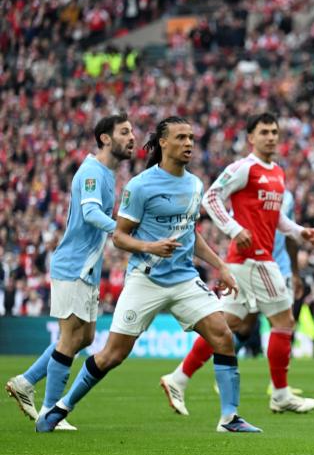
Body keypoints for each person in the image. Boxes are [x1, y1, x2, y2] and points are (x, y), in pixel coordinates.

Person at [36, 116, 261, 433]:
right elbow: (120, 236)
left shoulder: (195, 184)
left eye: (191, 138)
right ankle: (61, 407)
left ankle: (229, 418)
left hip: (184, 279)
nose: (188, 143)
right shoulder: (140, 186)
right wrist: (150, 246)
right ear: (163, 143)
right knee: (112, 355)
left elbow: (190, 233)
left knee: (222, 335)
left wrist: (220, 266)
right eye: (181, 138)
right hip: (145, 279)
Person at [160, 113, 314, 415]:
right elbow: (211, 198)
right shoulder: (243, 168)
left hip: (247, 261)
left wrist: (300, 232)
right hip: (254, 259)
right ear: (251, 138)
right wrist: (234, 229)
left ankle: (178, 378)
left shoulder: (278, 173)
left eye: (274, 132)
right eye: (264, 132)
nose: (270, 137)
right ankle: (281, 394)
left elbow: (275, 218)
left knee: (226, 325)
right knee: (284, 322)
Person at [5, 114, 135, 431]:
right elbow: (90, 212)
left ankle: (26, 381)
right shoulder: (92, 171)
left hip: (87, 268)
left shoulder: (106, 174)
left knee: (84, 337)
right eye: (124, 132)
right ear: (105, 138)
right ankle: (50, 411)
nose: (132, 137)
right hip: (73, 265)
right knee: (70, 337)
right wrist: (122, 231)